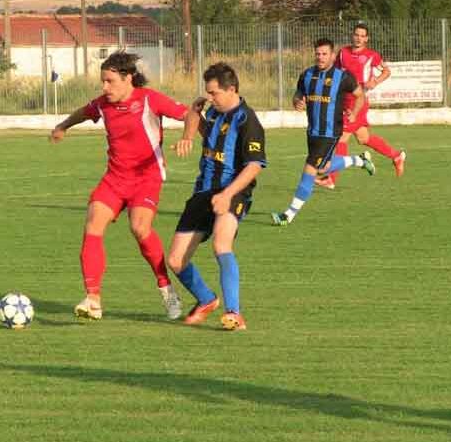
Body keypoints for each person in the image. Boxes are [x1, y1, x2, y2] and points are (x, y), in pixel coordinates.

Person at [49, 51, 187, 321]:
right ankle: (93, 299)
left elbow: (188, 114)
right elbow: (84, 112)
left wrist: (194, 136)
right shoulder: (103, 104)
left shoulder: (150, 99)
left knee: (139, 228)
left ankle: (166, 288)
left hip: (146, 178)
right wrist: (63, 125)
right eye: (102, 81)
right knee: (93, 224)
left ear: (128, 78)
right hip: (115, 178)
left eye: (110, 81)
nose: (104, 87)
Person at [167, 62, 266, 331]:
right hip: (204, 190)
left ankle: (234, 313)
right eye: (208, 93)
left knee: (221, 244)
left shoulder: (248, 120)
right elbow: (198, 122)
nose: (210, 98)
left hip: (234, 190)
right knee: (175, 260)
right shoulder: (213, 112)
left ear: (231, 89)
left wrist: (227, 194)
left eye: (214, 93)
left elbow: (254, 165)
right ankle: (206, 299)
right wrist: (191, 125)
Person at [271, 38, 376, 227]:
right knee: (323, 168)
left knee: (310, 169)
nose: (320, 57)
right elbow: (298, 93)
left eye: (324, 54)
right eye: (318, 54)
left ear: (332, 56)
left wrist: (355, 112)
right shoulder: (307, 75)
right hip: (312, 131)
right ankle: (359, 160)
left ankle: (288, 214)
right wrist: (297, 101)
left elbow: (360, 95)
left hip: (330, 132)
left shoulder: (343, 77)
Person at [317, 23, 406, 189]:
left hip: (358, 101)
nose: (359, 38)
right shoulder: (343, 53)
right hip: (343, 101)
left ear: (367, 39)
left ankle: (331, 179)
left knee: (341, 138)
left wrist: (375, 81)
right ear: (353, 35)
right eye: (356, 35)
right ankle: (396, 156)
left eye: (362, 36)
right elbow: (335, 72)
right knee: (363, 138)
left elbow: (386, 71)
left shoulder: (372, 56)